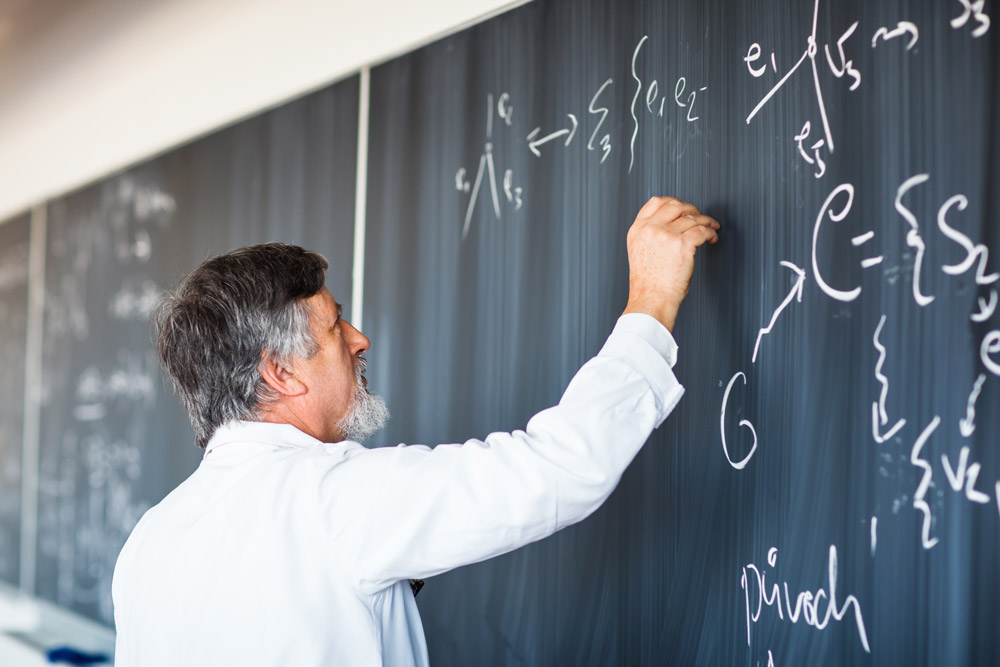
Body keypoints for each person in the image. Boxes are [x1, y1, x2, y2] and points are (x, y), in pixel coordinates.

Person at [111, 197, 720, 666]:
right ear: (279, 372)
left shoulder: (148, 540)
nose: (358, 340)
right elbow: (556, 469)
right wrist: (653, 300)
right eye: (335, 327)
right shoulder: (334, 498)